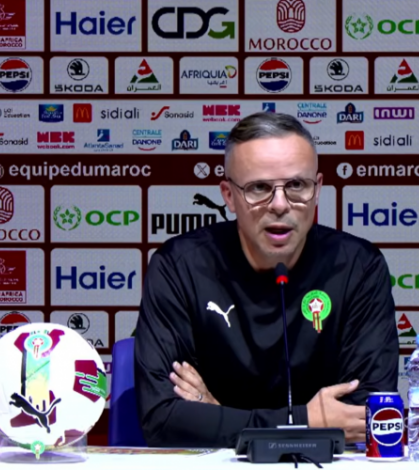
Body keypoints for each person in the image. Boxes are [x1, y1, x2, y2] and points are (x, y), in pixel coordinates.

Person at [135, 111, 398, 448]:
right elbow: (162, 419)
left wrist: (219, 415)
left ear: (318, 189)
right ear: (228, 195)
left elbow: (367, 414)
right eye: (258, 188)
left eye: (297, 185)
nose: (279, 204)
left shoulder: (358, 267)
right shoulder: (179, 267)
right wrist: (303, 422)